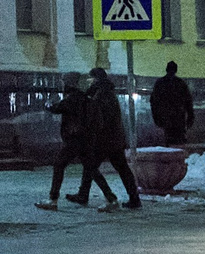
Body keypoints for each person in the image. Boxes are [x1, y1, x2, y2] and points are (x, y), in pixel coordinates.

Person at [43, 75, 113, 210]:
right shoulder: (88, 100)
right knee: (92, 169)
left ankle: (53, 199)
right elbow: (98, 122)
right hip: (87, 140)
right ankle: (111, 198)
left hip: (74, 140)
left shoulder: (72, 99)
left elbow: (55, 108)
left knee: (59, 165)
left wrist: (47, 104)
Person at [78, 67, 142, 210]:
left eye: (91, 78)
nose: (89, 81)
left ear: (96, 79)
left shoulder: (102, 94)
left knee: (91, 165)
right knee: (121, 169)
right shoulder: (106, 92)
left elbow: (100, 118)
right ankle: (134, 199)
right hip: (114, 139)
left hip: (105, 139)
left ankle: (107, 197)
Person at [150, 61, 194, 146]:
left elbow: (154, 102)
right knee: (179, 142)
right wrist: (190, 118)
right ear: (176, 70)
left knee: (168, 141)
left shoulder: (160, 83)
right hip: (178, 118)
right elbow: (188, 102)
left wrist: (156, 117)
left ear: (166, 69)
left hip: (166, 118)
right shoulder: (181, 83)